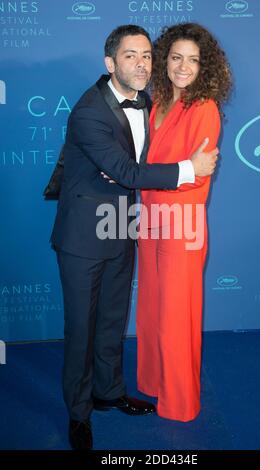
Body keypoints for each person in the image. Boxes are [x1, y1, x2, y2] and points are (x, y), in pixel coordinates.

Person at [50, 24, 219, 449]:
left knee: (111, 322)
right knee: (81, 329)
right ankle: (79, 413)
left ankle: (108, 393)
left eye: (146, 55)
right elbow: (128, 171)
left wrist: (129, 170)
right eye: (131, 56)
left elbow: (136, 160)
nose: (141, 63)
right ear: (111, 63)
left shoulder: (147, 101)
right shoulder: (90, 110)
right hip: (84, 238)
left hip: (125, 229)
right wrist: (188, 169)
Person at [136, 23, 232, 422]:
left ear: (204, 66)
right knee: (152, 308)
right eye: (176, 57)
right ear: (165, 61)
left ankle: (179, 402)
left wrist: (171, 174)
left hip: (182, 224)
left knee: (176, 316)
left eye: (193, 60)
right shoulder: (156, 101)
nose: (183, 66)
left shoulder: (204, 108)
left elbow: (197, 178)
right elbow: (168, 167)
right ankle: (153, 384)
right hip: (148, 219)